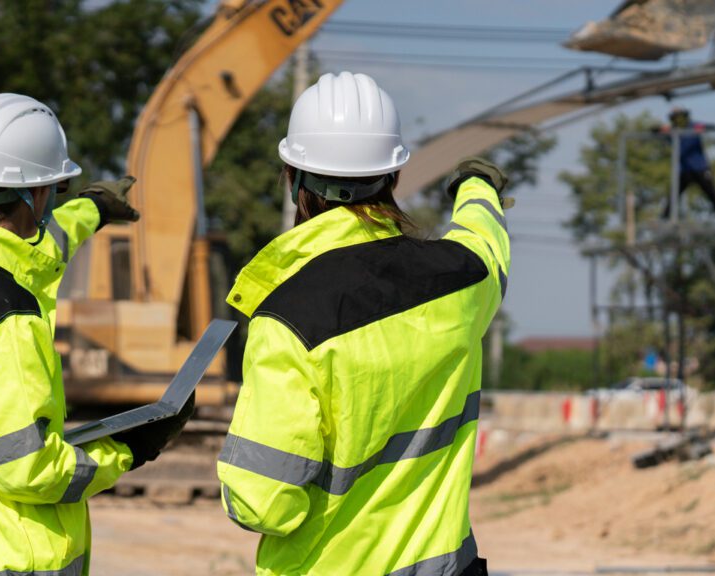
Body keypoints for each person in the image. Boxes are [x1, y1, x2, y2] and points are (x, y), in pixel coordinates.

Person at [216, 72, 509, 576]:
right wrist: (476, 185)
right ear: (394, 176)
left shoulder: (289, 319)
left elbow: (261, 500)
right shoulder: (463, 281)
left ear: (293, 178)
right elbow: (486, 240)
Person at [0, 93, 191, 576]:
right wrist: (128, 450)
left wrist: (93, 210)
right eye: (54, 190)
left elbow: (36, 253)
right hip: (18, 561)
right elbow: (29, 469)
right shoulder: (11, 320)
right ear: (35, 196)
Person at [657, 107, 715, 219]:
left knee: (711, 193)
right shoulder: (673, 130)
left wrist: (702, 129)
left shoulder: (693, 126)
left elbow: (712, 127)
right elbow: (653, 130)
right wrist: (662, 130)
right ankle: (664, 219)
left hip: (699, 167)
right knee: (673, 195)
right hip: (684, 170)